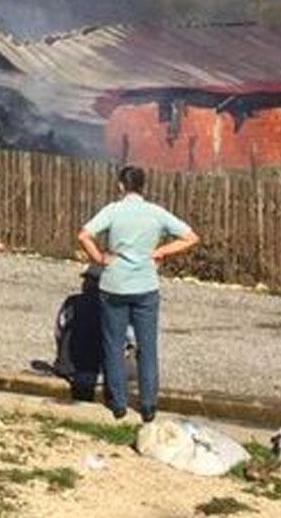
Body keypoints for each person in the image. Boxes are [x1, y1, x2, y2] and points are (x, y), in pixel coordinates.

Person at [77, 165, 200, 422]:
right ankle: (148, 405)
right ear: (143, 186)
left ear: (121, 186)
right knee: (147, 346)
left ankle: (119, 403)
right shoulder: (155, 213)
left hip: (114, 284)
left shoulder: (113, 210)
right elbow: (190, 237)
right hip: (145, 285)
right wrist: (161, 252)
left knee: (113, 344)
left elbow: (84, 235)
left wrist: (99, 257)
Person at [50, 265, 106, 400]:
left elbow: (58, 332)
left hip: (68, 367)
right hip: (98, 370)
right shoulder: (112, 307)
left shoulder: (72, 302)